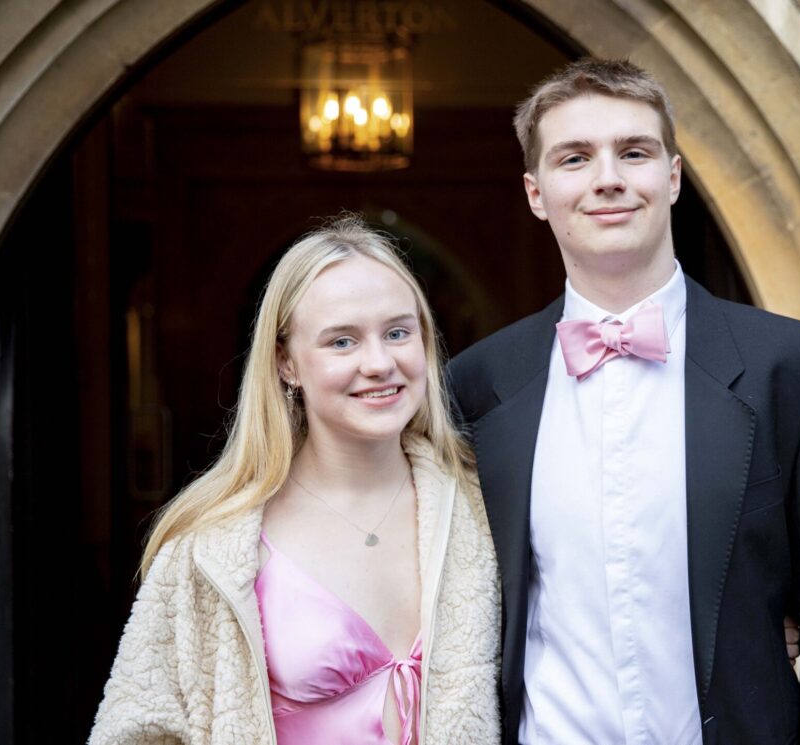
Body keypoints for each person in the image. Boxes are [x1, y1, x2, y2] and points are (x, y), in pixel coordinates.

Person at [448, 59, 800, 744]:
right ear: (537, 193)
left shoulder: (796, 370)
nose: (608, 177)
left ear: (674, 177)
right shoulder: (476, 384)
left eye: (634, 152)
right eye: (575, 158)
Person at [91, 215, 500, 744]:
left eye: (398, 332)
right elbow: (136, 729)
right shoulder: (212, 547)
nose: (379, 363)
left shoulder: (484, 506)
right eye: (342, 342)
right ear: (286, 363)